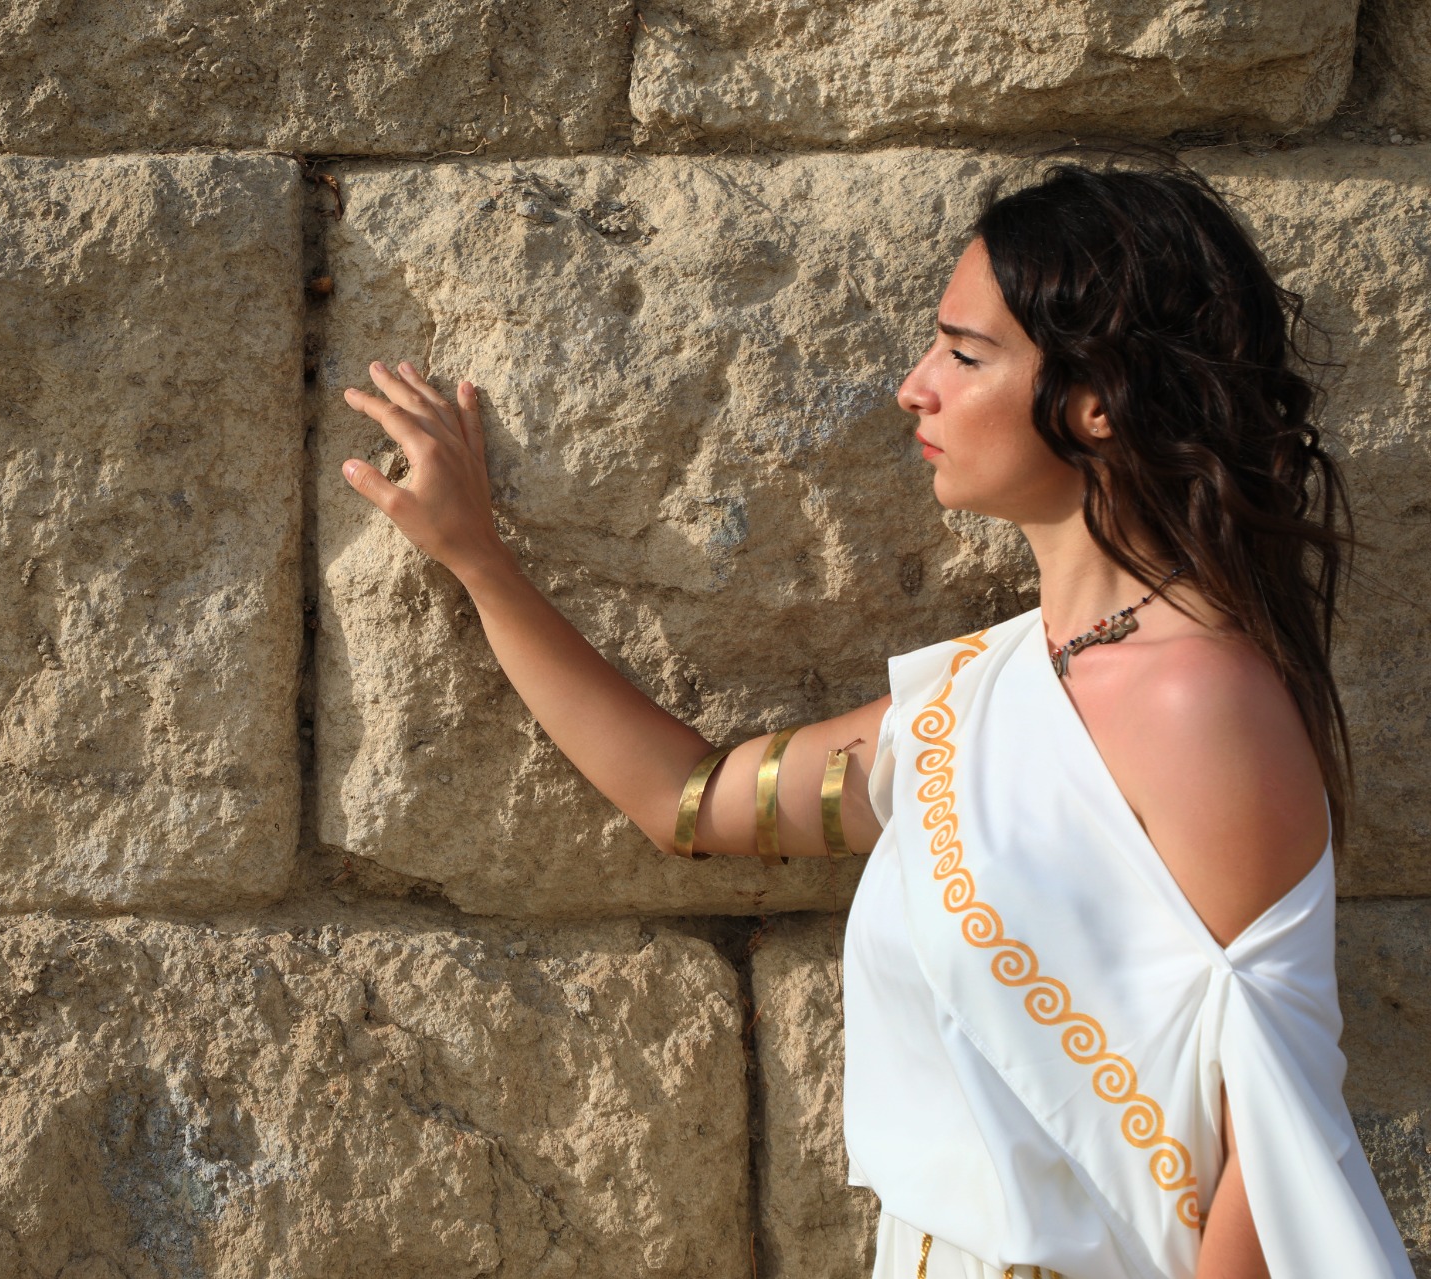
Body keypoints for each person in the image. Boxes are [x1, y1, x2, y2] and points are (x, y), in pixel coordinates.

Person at [336, 155, 1412, 1278]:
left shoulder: (1199, 700)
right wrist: (479, 560)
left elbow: (1276, 1155)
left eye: (963, 353)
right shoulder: (968, 702)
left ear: (1096, 400)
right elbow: (686, 799)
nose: (914, 386)